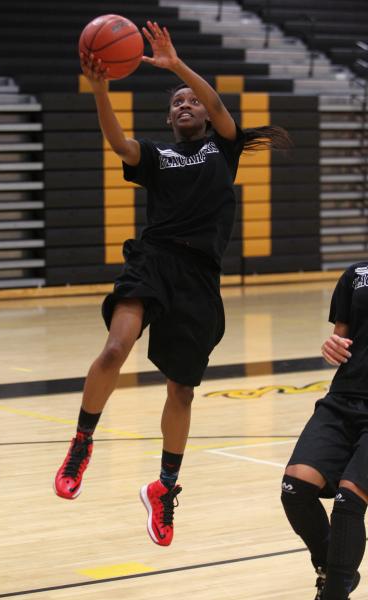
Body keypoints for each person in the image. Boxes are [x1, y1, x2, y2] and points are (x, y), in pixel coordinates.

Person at [54, 20, 290, 546]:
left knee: (181, 389)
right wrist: (100, 89)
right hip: (154, 260)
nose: (186, 104)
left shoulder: (222, 148)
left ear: (205, 113)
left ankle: (164, 488)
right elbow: (118, 142)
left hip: (200, 276)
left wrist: (177, 64)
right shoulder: (159, 157)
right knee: (115, 348)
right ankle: (82, 442)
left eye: (193, 101)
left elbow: (221, 108)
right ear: (168, 117)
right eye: (177, 102)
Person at [281, 261, 368, 599]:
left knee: (349, 499)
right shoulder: (356, 275)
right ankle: (333, 568)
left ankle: (335, 589)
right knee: (295, 487)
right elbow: (340, 339)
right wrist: (331, 347)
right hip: (343, 399)